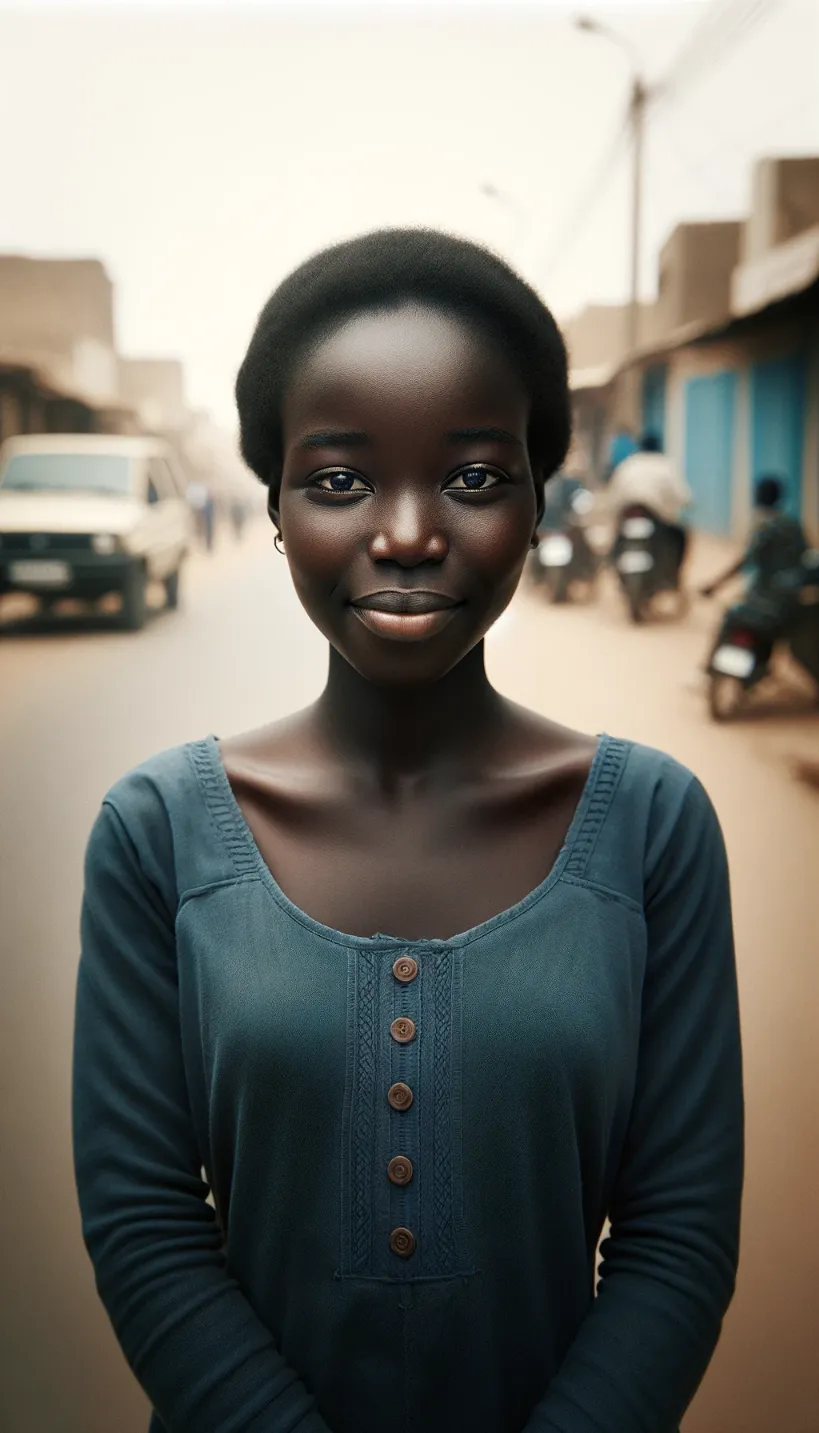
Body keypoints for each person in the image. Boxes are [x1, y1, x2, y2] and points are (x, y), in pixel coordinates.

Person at [72, 230, 743, 1433]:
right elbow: (146, 1227)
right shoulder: (154, 835)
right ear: (272, 505)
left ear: (540, 499)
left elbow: (677, 1237)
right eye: (339, 479)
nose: (409, 532)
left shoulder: (652, 827)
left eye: (475, 477)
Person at [701, 474, 808, 671]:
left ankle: (709, 668)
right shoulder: (793, 527)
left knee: (731, 618)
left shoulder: (764, 528)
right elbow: (806, 559)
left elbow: (745, 561)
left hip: (762, 602)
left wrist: (714, 585)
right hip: (787, 603)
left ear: (757, 497)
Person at [608, 430, 691, 579]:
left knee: (614, 542)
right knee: (680, 537)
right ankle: (674, 576)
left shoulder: (628, 464)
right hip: (655, 515)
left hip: (627, 513)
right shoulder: (666, 465)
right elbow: (682, 494)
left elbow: (613, 493)